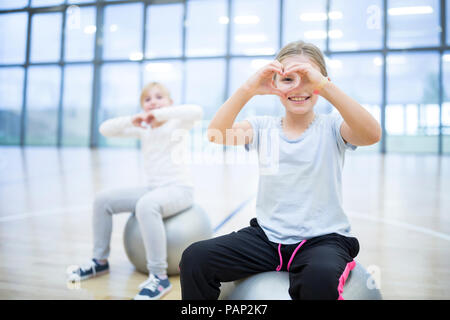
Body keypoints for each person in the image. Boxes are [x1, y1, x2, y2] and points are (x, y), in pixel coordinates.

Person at [179, 40, 381, 300]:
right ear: (275, 84)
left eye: (308, 78)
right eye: (288, 79)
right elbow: (216, 135)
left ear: (322, 83)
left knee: (318, 279)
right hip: (267, 239)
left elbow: (372, 134)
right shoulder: (263, 127)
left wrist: (327, 87)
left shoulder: (333, 127)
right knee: (196, 258)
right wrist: (248, 89)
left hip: (323, 241)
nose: (298, 87)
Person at [71, 82, 203, 300]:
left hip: (180, 189)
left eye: (159, 97)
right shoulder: (144, 128)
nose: (153, 102)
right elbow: (106, 129)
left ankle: (159, 277)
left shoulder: (178, 122)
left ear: (170, 103)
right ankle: (99, 261)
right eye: (147, 99)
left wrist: (160, 113)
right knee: (103, 200)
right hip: (153, 188)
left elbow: (196, 111)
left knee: (147, 205)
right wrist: (133, 120)